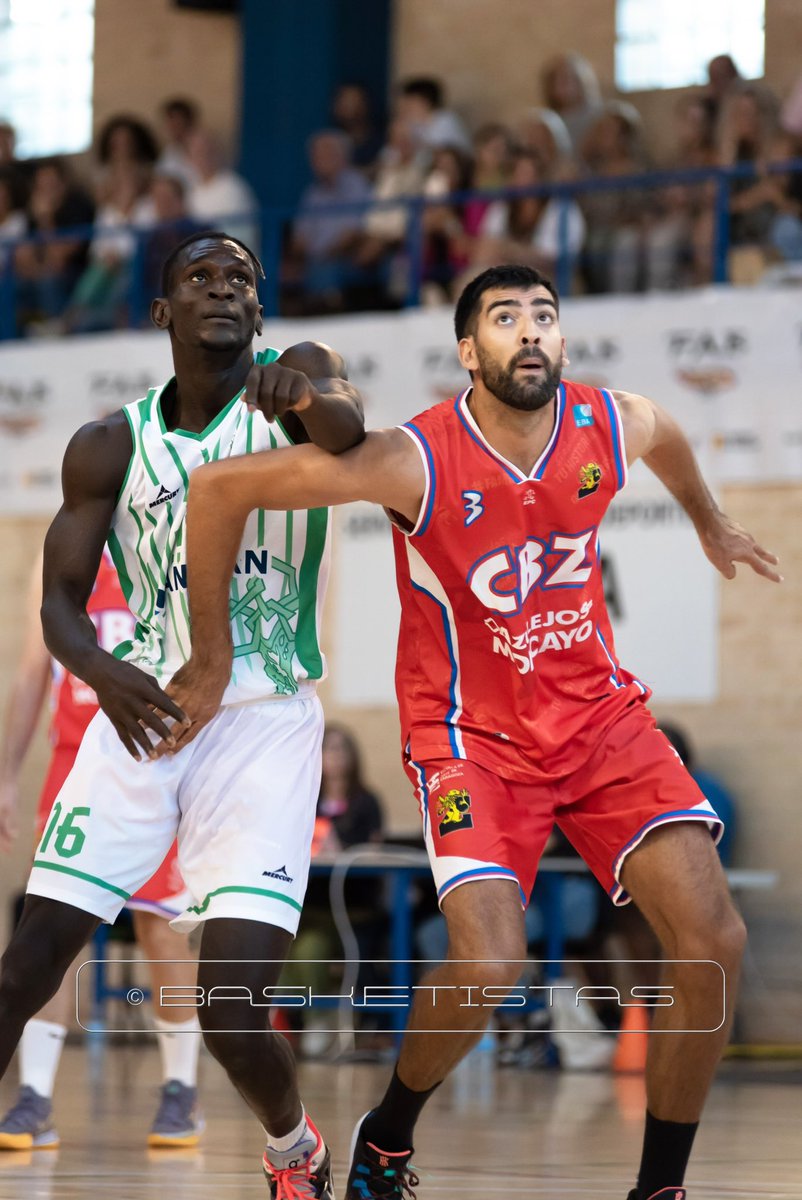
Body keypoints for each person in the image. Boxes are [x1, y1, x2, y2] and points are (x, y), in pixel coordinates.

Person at [166, 261, 782, 1200]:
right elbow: (215, 490)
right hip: (471, 741)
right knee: (492, 961)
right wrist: (212, 660)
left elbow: (667, 434)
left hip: (599, 719)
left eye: (544, 316)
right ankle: (388, 1134)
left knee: (715, 938)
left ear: (563, 342)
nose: (530, 331)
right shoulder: (413, 458)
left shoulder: (608, 421)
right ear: (470, 351)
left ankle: (660, 1188)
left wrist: (711, 522)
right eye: (505, 318)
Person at [0, 229, 365, 1200]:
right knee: (21, 971)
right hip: (145, 724)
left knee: (231, 1017)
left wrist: (312, 398)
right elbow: (58, 605)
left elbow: (348, 431)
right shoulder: (108, 445)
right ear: (161, 311)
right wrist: (99, 672)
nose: (223, 288)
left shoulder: (297, 381)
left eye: (240, 277)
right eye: (199, 277)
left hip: (262, 728)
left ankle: (294, 1152)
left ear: (259, 306)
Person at [0, 551, 202, 1149]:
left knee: (160, 929)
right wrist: (8, 775)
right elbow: (35, 668)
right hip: (75, 761)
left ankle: (181, 1089)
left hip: (156, 755)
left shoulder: (174, 531)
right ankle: (35, 1094)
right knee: (54, 928)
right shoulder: (67, 547)